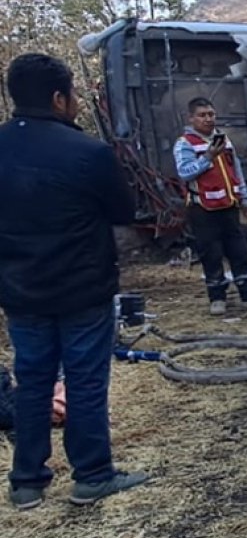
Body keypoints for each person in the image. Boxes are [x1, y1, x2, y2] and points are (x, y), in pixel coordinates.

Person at [0, 53, 148, 509]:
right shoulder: (89, 152)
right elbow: (125, 212)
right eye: (75, 95)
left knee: (32, 379)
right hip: (84, 289)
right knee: (84, 381)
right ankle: (93, 475)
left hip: (20, 291)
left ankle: (27, 481)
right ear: (59, 98)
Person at [173, 98, 247, 316]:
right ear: (191, 118)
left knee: (240, 251)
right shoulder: (185, 143)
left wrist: (244, 199)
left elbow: (235, 170)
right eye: (202, 115)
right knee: (211, 254)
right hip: (203, 209)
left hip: (228, 205)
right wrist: (207, 157)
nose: (208, 119)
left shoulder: (223, 140)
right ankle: (217, 298)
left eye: (211, 114)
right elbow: (185, 172)